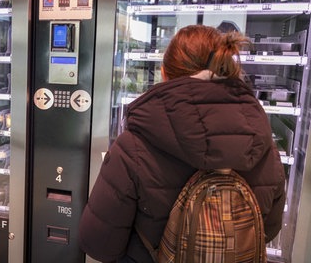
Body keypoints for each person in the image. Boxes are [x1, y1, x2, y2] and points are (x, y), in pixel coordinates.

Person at [79, 24, 286, 262]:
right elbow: (268, 229)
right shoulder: (264, 147)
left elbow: (99, 243)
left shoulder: (133, 147)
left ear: (165, 73)